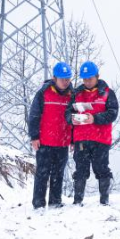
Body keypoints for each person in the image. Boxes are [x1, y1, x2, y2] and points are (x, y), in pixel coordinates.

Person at [66, 61, 118, 205]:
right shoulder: (76, 93)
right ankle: (77, 200)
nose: (87, 82)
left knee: (101, 168)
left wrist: (94, 118)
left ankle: (104, 200)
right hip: (81, 138)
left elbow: (112, 114)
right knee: (81, 169)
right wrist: (71, 119)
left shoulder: (107, 93)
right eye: (85, 79)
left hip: (100, 139)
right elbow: (67, 112)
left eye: (90, 78)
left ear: (97, 76)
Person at [27, 61, 74, 209]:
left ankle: (55, 201)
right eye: (62, 79)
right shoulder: (43, 93)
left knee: (58, 174)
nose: (65, 82)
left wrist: (73, 139)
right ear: (55, 78)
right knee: (42, 173)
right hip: (45, 142)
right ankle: (38, 203)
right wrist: (34, 137)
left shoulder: (72, 95)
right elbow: (34, 115)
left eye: (68, 79)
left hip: (62, 142)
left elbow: (75, 118)